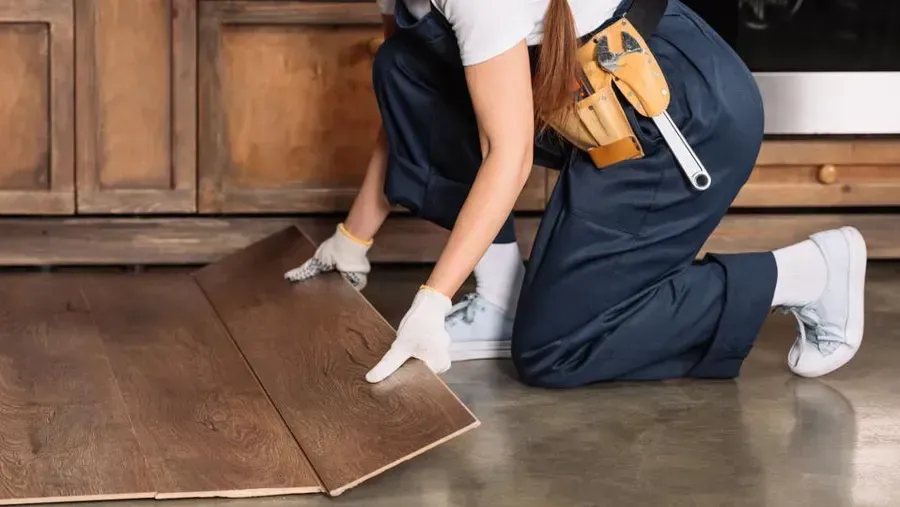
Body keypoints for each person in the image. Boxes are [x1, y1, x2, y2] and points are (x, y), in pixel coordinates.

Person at [285, 0, 867, 387]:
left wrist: (432, 300)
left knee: (554, 349)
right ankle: (499, 300)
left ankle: (806, 273)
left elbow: (506, 154)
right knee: (403, 65)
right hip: (590, 108)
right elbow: (416, 99)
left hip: (673, 118)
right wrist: (352, 237)